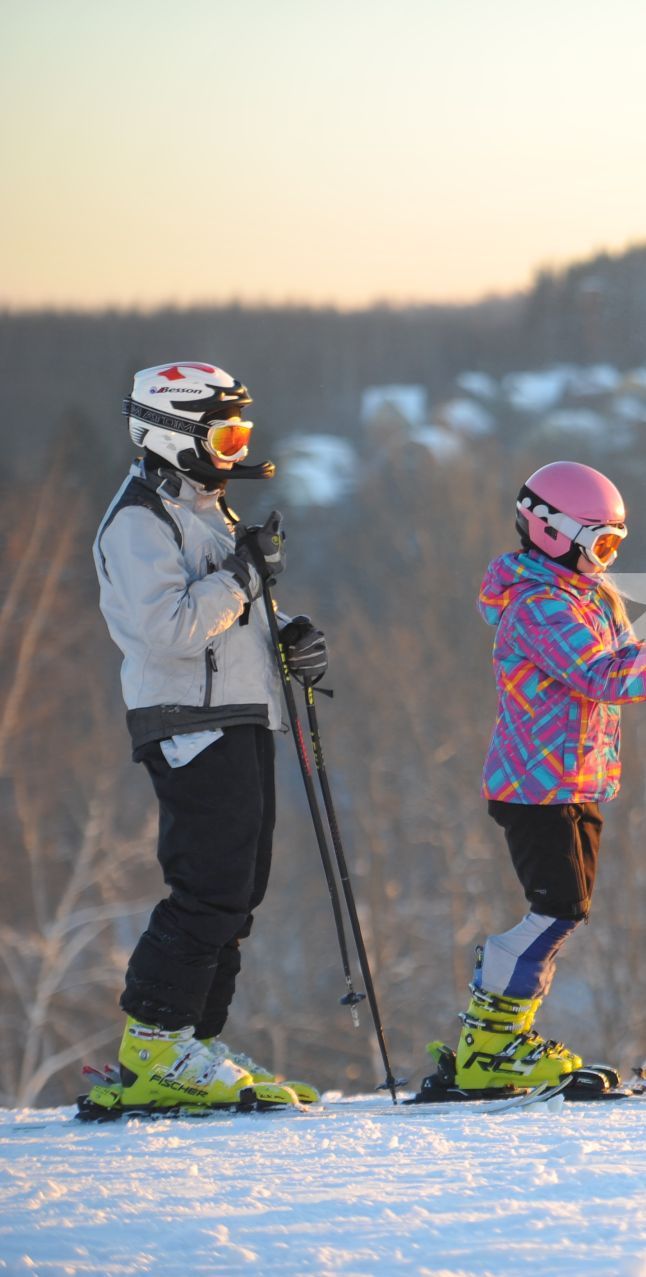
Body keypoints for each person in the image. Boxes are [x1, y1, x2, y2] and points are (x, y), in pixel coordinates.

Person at [428, 460, 646, 1097]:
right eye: (600, 544)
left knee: (564, 913)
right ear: (552, 532)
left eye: (615, 545)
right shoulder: (538, 605)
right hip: (534, 787)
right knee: (558, 909)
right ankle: (491, 1041)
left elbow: (626, 659)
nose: (607, 558)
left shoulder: (587, 596)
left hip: (574, 782)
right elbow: (599, 676)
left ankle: (498, 1036)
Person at [90, 362, 322, 1114]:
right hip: (188, 720)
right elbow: (169, 631)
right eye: (223, 434)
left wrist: (290, 633)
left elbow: (233, 616)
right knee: (210, 884)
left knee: (240, 890)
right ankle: (154, 1042)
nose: (235, 449)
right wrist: (246, 575)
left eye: (241, 433)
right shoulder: (138, 520)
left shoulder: (204, 508)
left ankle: (193, 1040)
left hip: (241, 712)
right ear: (172, 435)